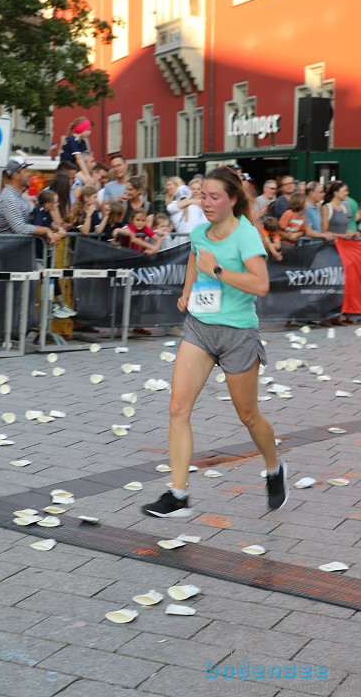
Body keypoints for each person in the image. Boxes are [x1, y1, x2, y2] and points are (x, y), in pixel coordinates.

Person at [141, 167, 284, 518]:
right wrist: (188, 290)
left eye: (213, 196)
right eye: (203, 195)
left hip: (237, 334)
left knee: (248, 416)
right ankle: (178, 495)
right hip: (201, 328)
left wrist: (218, 270)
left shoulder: (246, 235)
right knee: (177, 408)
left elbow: (261, 285)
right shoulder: (201, 232)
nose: (205, 202)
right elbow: (195, 256)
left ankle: (274, 468)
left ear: (232, 200)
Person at [0, 158, 62, 246]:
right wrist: (46, 230)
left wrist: (53, 227)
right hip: (9, 250)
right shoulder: (9, 198)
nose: (29, 174)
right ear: (16, 175)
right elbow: (20, 228)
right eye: (26, 171)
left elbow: (32, 221)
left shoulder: (18, 196)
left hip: (18, 249)